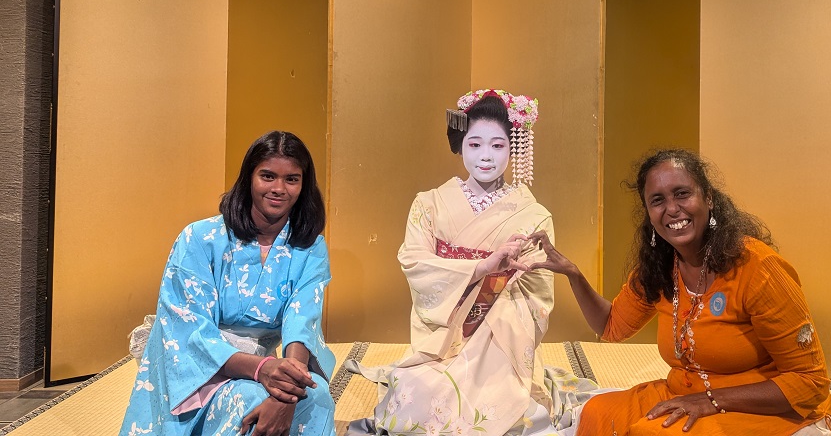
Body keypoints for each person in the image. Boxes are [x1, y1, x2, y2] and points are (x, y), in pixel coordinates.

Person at [528, 149, 831, 436]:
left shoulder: (760, 269)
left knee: (657, 433)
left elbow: (810, 382)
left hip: (755, 402)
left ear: (708, 197)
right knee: (597, 415)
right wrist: (573, 274)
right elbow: (612, 326)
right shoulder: (660, 267)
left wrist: (710, 401)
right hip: (683, 392)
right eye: (658, 200)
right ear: (649, 213)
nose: (672, 209)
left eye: (682, 194)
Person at [347, 89, 597, 436]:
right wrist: (481, 268)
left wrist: (494, 297)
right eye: (475, 144)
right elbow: (414, 262)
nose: (485, 156)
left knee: (499, 407)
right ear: (460, 145)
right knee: (416, 398)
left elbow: (536, 299)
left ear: (514, 149)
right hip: (443, 333)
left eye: (498, 145)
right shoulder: (429, 203)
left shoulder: (534, 215)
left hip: (500, 336)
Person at [119, 131, 337, 436]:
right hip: (199, 367)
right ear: (248, 178)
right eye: (267, 176)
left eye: (292, 179)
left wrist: (289, 385)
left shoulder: (310, 246)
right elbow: (190, 331)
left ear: (304, 186)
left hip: (271, 369)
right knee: (249, 402)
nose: (279, 188)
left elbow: (302, 320)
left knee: (318, 399)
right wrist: (263, 372)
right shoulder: (198, 238)